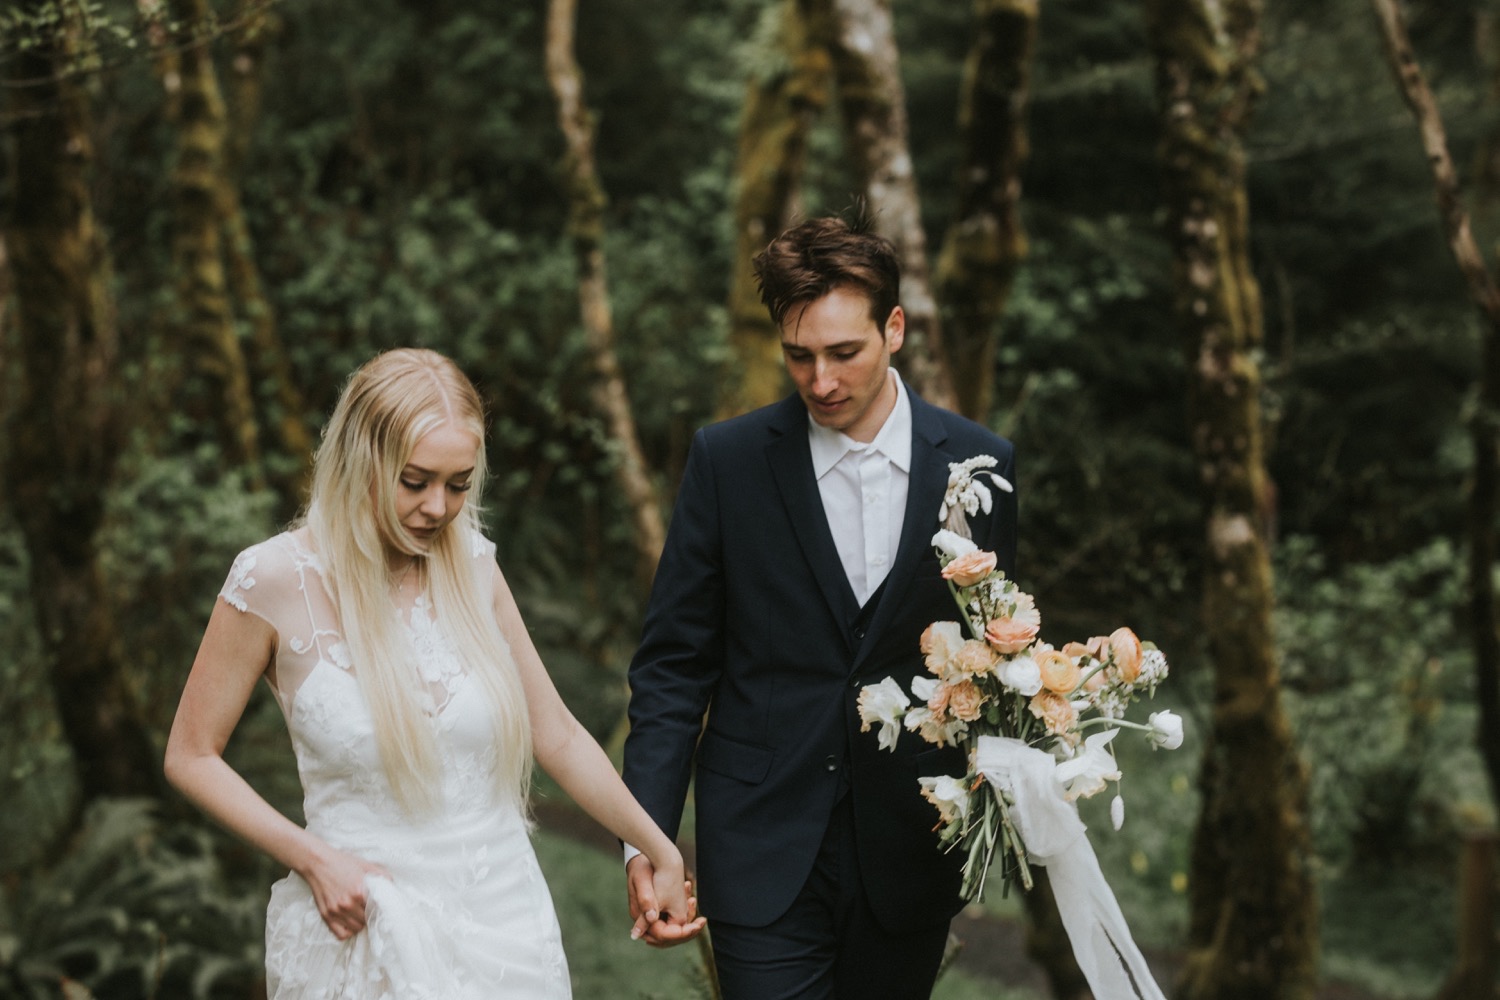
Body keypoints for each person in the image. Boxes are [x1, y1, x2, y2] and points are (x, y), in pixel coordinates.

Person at [164, 348, 703, 999]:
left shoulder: (474, 566)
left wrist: (657, 847)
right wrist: (311, 857)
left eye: (458, 483)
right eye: (414, 481)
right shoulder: (273, 580)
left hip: (509, 930)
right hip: (365, 929)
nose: (438, 507)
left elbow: (554, 733)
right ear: (361, 459)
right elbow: (191, 755)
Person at [621, 215, 1018, 999]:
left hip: (909, 850)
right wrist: (647, 841)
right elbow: (672, 668)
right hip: (758, 843)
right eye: (798, 356)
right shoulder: (727, 462)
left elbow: (1000, 651)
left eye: (845, 353)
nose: (822, 381)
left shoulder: (980, 465)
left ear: (894, 328)